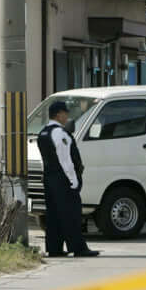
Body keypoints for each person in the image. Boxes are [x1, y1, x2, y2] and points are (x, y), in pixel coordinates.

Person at [37, 102, 99, 257]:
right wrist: (74, 180)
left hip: (49, 179)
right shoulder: (59, 133)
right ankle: (79, 248)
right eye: (65, 113)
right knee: (71, 214)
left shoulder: (43, 133)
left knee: (54, 215)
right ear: (58, 114)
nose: (67, 116)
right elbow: (65, 160)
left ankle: (54, 248)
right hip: (63, 180)